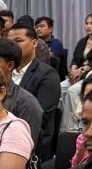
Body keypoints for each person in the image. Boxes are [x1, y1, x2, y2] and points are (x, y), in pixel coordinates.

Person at [6, 24, 61, 159]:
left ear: (34, 43)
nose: (13, 46)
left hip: (31, 141)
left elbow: (41, 116)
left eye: (18, 41)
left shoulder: (47, 75)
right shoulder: (5, 72)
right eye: (10, 42)